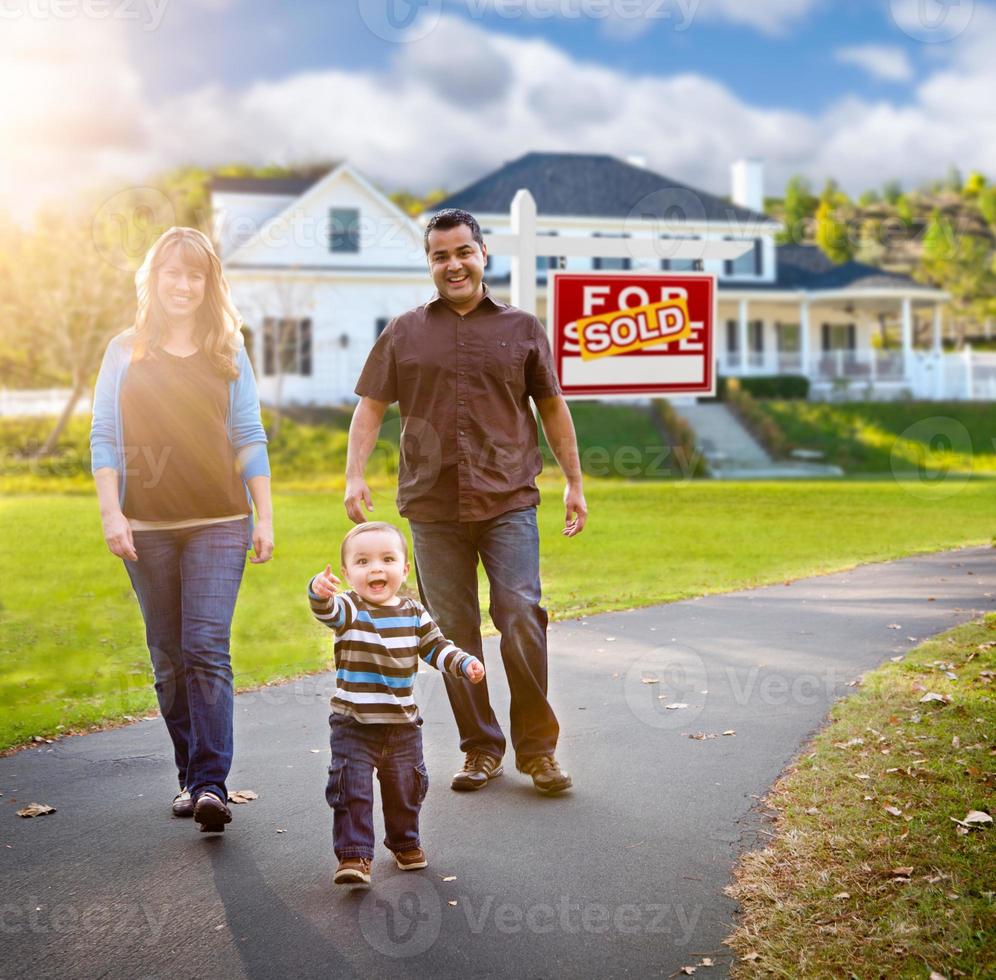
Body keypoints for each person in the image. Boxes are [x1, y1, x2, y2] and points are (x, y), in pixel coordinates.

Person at [344, 207, 587, 797]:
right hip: (431, 508)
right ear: (430, 263)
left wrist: (574, 482)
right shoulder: (404, 331)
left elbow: (551, 407)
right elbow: (371, 407)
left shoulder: (523, 328)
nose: (452, 264)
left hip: (509, 500)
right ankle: (480, 748)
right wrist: (354, 476)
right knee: (452, 633)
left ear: (483, 255)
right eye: (439, 255)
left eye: (462, 252)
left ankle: (539, 751)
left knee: (520, 616)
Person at [90, 226, 273, 834]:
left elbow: (248, 433)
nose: (184, 285)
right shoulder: (124, 350)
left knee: (204, 647)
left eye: (196, 275)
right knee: (168, 658)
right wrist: (112, 512)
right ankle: (190, 777)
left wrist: (263, 514)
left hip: (220, 521)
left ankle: (212, 784)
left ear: (208, 283)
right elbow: (105, 439)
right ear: (154, 278)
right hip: (146, 527)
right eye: (173, 272)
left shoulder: (228, 349)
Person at [307, 521, 485, 885]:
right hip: (353, 724)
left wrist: (464, 662)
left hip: (402, 725)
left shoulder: (413, 613)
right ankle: (354, 856)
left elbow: (436, 647)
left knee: (405, 788)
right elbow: (327, 611)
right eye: (363, 561)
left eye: (387, 559)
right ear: (347, 573)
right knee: (351, 790)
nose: (376, 568)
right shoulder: (351, 608)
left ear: (404, 569)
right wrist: (319, 592)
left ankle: (405, 842)